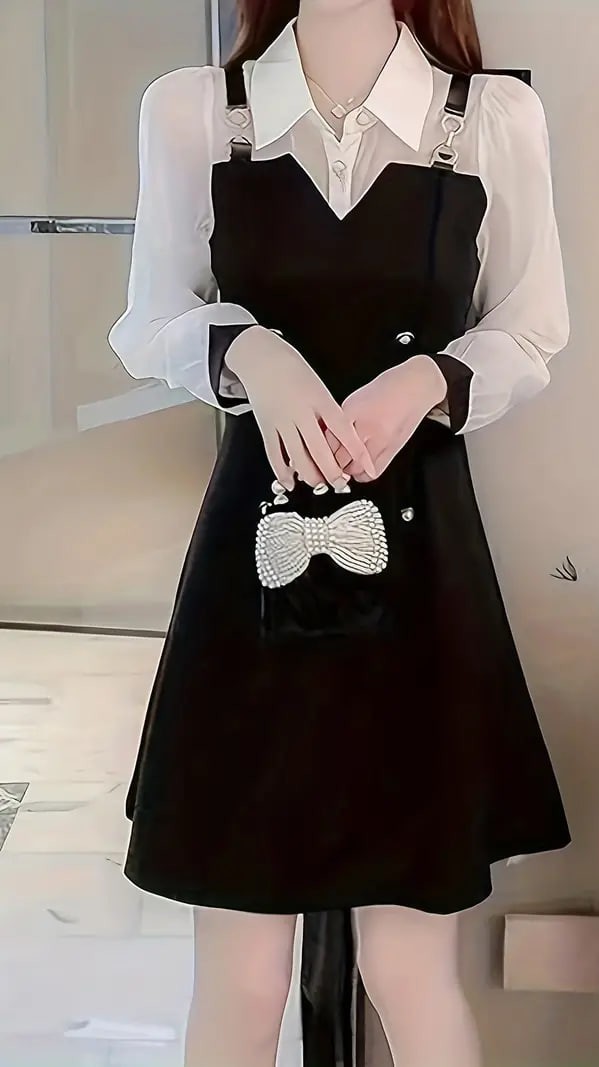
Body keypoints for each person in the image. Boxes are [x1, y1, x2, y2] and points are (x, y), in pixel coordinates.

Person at [108, 1, 571, 1064]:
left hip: (423, 574)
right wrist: (249, 352)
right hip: (251, 573)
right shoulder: (195, 111)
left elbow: (532, 326)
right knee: (243, 978)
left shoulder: (489, 117)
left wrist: (428, 378)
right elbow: (148, 319)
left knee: (408, 968)